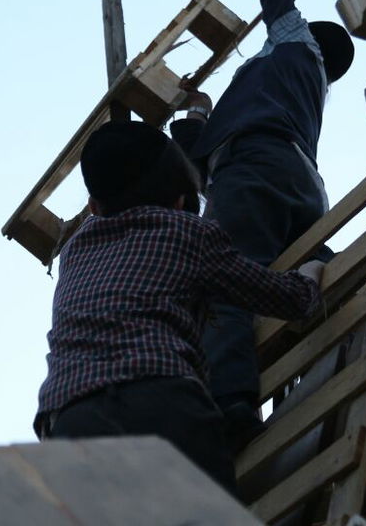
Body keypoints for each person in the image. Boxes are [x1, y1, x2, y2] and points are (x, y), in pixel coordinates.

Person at [34, 120, 324, 493]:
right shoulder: (189, 233)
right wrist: (310, 274)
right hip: (159, 402)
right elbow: (290, 300)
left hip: (68, 421)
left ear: (94, 205)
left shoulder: (73, 252)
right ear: (179, 199)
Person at [171, 0, 355, 451]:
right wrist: (196, 114)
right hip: (291, 182)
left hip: (258, 168)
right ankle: (318, 284)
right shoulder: (282, 88)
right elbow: (203, 169)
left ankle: (232, 403)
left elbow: (280, 3)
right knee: (280, 277)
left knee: (222, 282)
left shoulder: (297, 46)